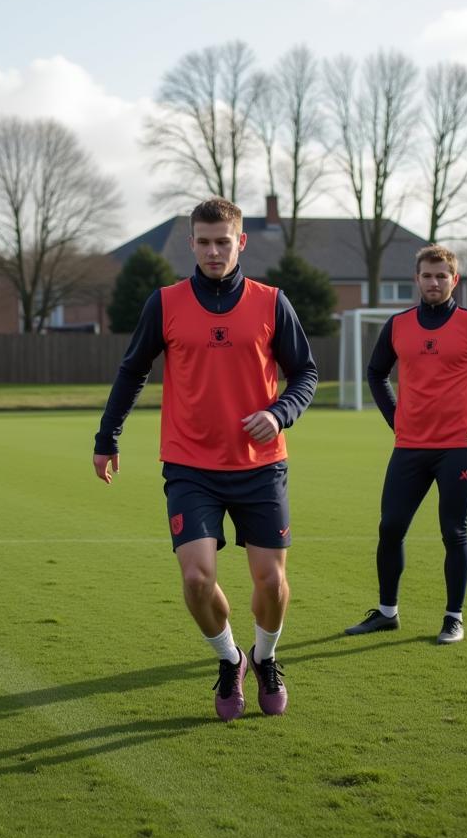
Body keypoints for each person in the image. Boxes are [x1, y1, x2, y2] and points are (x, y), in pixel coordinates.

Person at [94, 197, 318, 721]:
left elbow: (305, 373)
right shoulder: (166, 303)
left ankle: (264, 658)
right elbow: (133, 371)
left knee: (272, 582)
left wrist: (281, 413)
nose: (214, 251)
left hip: (261, 465)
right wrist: (108, 437)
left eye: (224, 241)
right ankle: (229, 659)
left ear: (240, 242)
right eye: (204, 241)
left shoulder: (271, 302)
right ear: (191, 244)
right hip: (190, 465)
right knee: (196, 579)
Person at [344, 244, 467, 644]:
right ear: (417, 279)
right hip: (409, 446)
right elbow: (376, 372)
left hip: (458, 448)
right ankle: (387, 612)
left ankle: (453, 618)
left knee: (454, 532)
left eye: (442, 276)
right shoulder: (399, 324)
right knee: (390, 528)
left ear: (454, 280)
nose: (434, 282)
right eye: (427, 275)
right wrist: (395, 418)